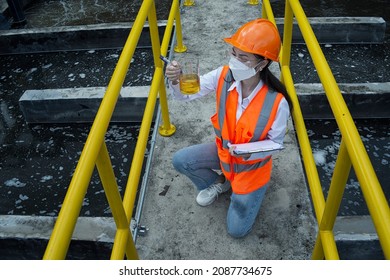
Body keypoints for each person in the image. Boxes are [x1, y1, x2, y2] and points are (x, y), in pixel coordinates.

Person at [165, 19, 292, 238]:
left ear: (262, 64)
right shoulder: (223, 76)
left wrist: (245, 151)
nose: (235, 61)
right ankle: (220, 183)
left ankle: (250, 193)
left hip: (251, 170)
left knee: (236, 231)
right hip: (224, 156)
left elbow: (276, 144)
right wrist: (176, 81)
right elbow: (187, 95)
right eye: (234, 53)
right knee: (181, 160)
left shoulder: (277, 102)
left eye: (244, 57)